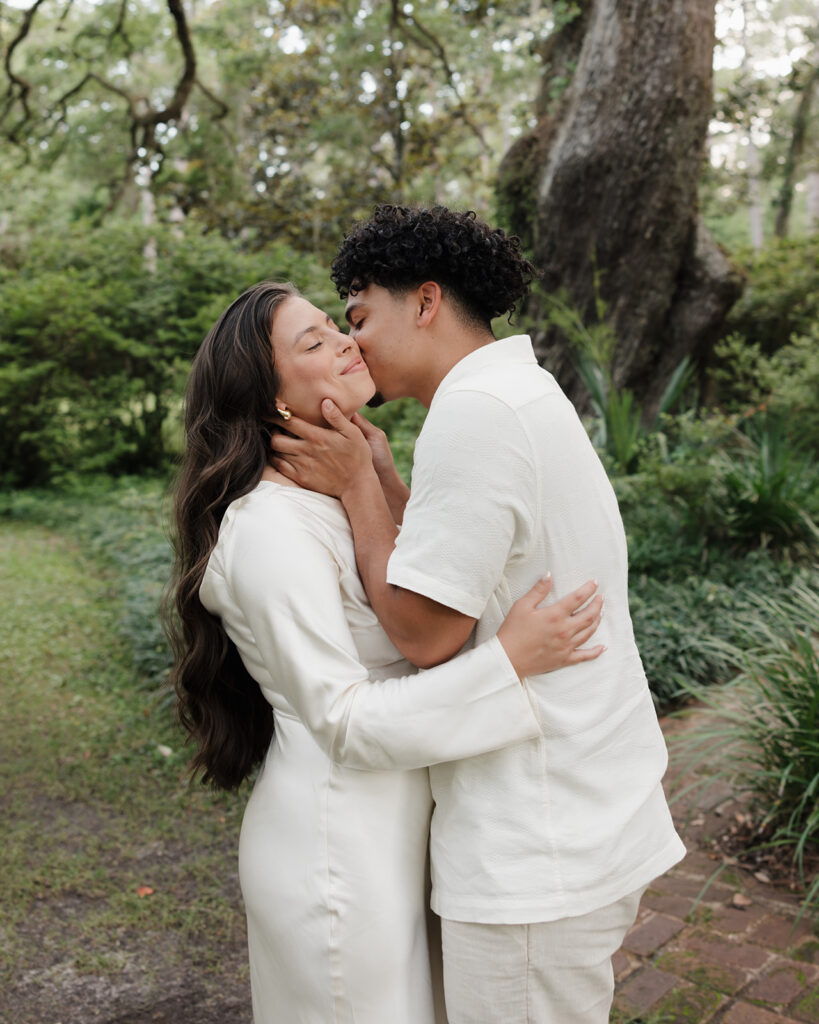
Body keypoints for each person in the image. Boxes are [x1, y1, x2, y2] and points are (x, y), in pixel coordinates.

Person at [270, 204, 687, 1024]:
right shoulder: (513, 390)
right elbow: (464, 565)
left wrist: (356, 486)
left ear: (425, 302)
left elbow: (428, 634)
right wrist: (386, 478)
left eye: (358, 320)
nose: (351, 347)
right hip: (578, 806)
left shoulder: (474, 415)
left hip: (536, 840)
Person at [166, 280, 607, 1024]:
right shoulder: (270, 527)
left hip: (404, 835)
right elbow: (342, 718)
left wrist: (375, 481)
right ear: (269, 396)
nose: (346, 341)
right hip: (339, 856)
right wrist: (508, 663)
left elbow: (416, 607)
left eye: (335, 327)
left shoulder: (333, 494)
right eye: (313, 342)